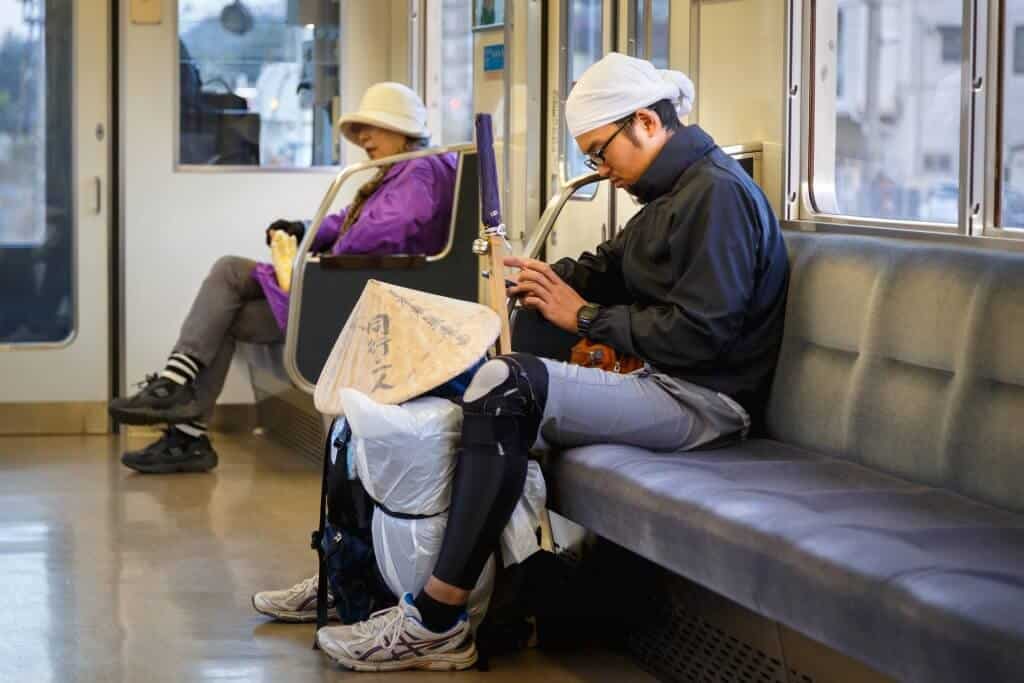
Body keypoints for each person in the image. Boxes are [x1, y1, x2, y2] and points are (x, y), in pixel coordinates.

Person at [309, 52, 791, 672]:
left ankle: (437, 619)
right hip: (660, 383)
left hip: (704, 401)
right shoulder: (669, 197)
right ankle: (354, 572)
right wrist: (534, 280)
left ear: (645, 122)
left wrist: (585, 318)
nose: (600, 170)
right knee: (450, 374)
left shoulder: (717, 197)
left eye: (599, 151)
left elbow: (702, 338)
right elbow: (602, 268)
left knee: (506, 389)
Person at [108, 82, 458, 474]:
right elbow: (349, 222)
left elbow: (387, 227)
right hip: (350, 288)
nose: (363, 140)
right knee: (225, 315)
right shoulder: (401, 171)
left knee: (228, 272)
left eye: (371, 128)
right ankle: (187, 432)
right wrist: (304, 229)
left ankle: (176, 390)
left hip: (355, 295)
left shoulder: (422, 169)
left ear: (401, 128)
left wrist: (323, 256)